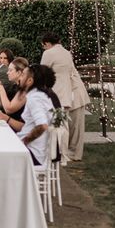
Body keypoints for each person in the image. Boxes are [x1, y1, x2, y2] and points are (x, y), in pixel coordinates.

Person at [0, 64, 57, 166]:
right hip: (31, 150)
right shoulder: (39, 95)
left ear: (29, 81)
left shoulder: (35, 99)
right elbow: (31, 125)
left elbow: (42, 125)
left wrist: (24, 142)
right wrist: (5, 118)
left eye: (23, 75)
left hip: (31, 153)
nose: (20, 78)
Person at [40, 32, 90, 161]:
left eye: (43, 46)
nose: (44, 49)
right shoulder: (66, 52)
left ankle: (62, 154)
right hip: (71, 91)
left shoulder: (48, 53)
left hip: (60, 92)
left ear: (47, 43)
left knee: (61, 125)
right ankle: (72, 153)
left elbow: (43, 72)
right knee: (73, 127)